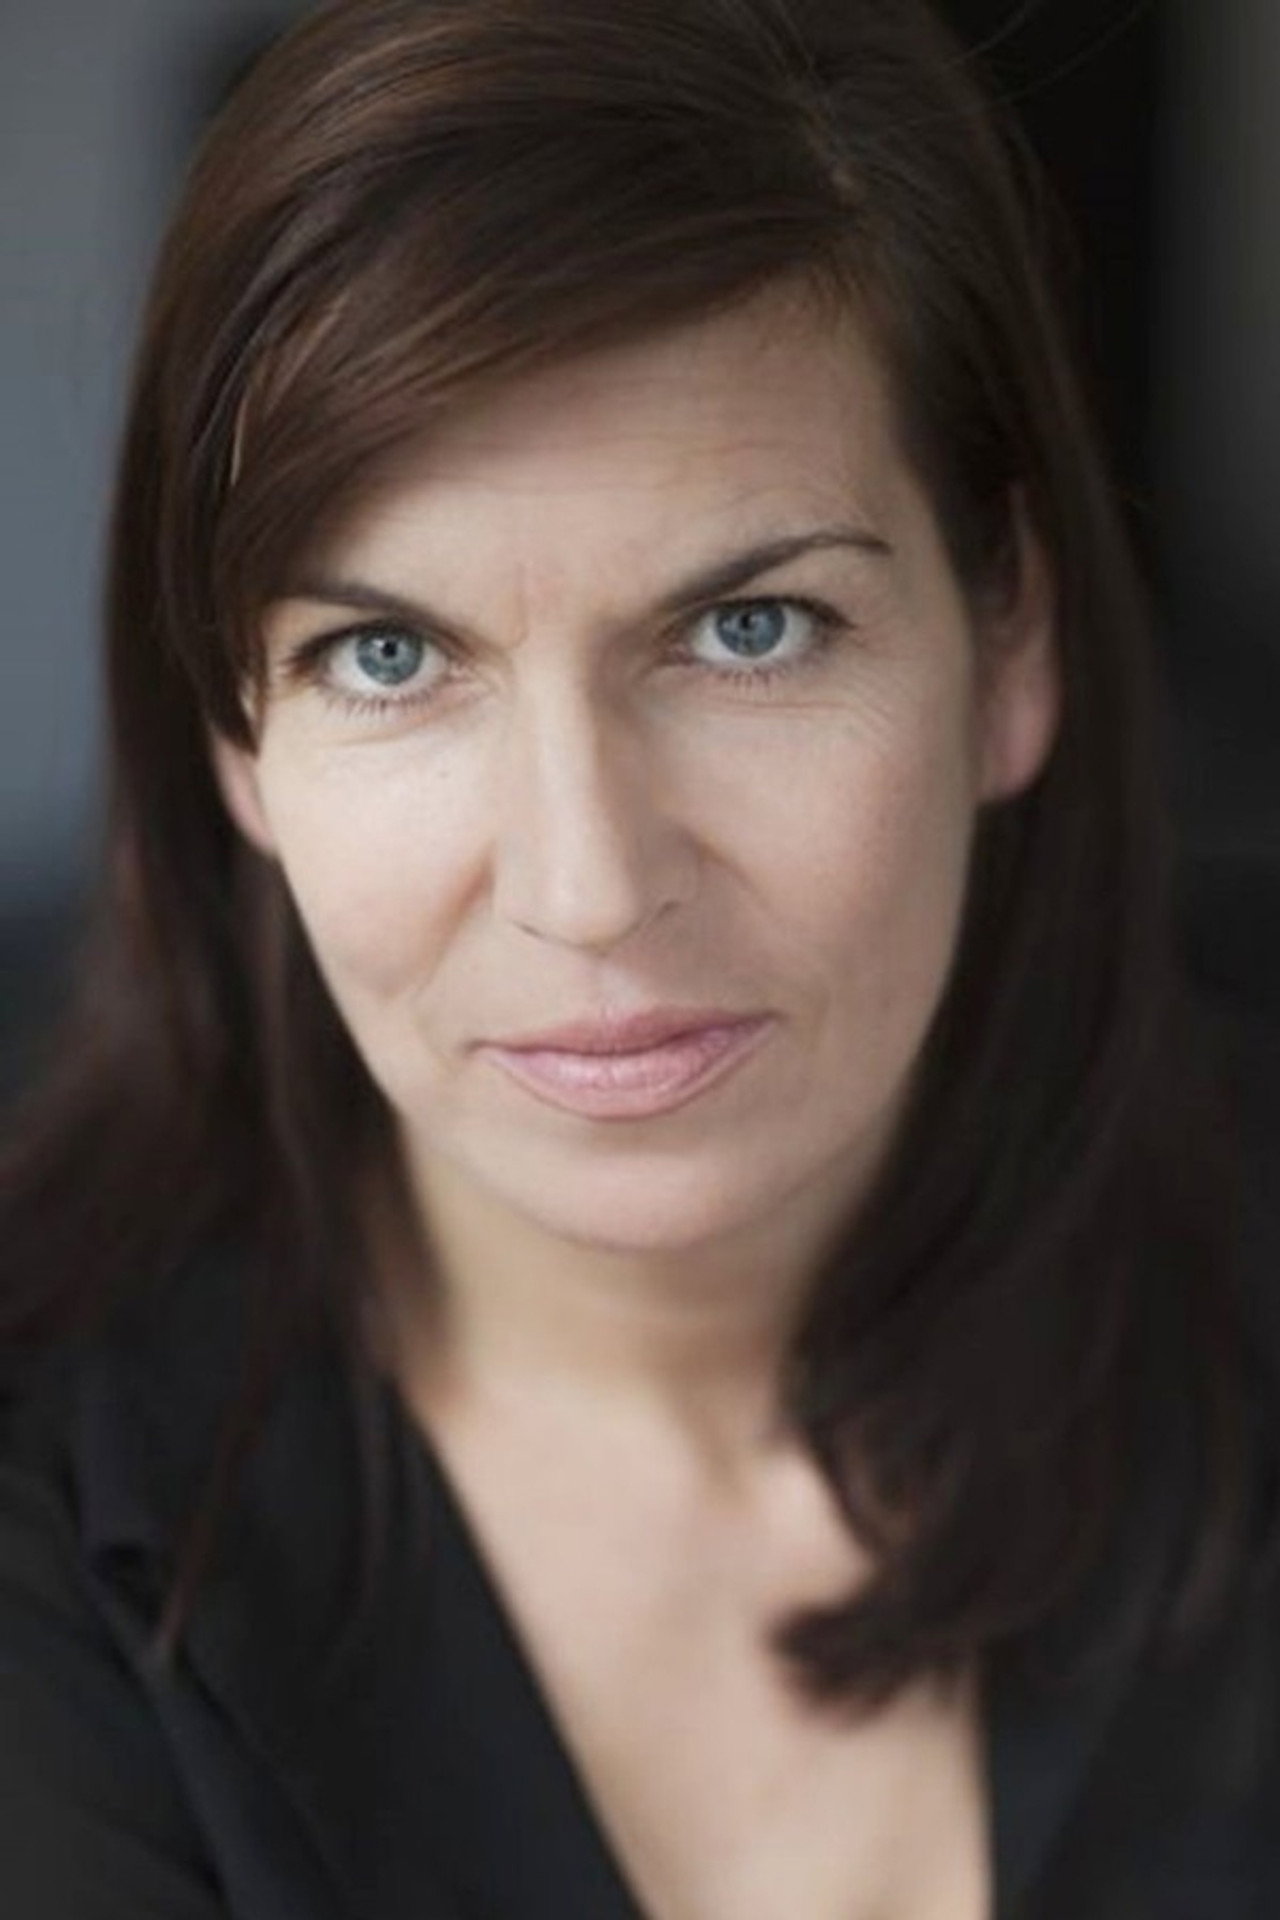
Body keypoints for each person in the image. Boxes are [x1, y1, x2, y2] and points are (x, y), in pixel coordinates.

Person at [2, 0, 1279, 1915]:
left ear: (1010, 638)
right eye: (388, 656)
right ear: (235, 742)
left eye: (751, 629)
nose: (589, 886)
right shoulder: (55, 1556)